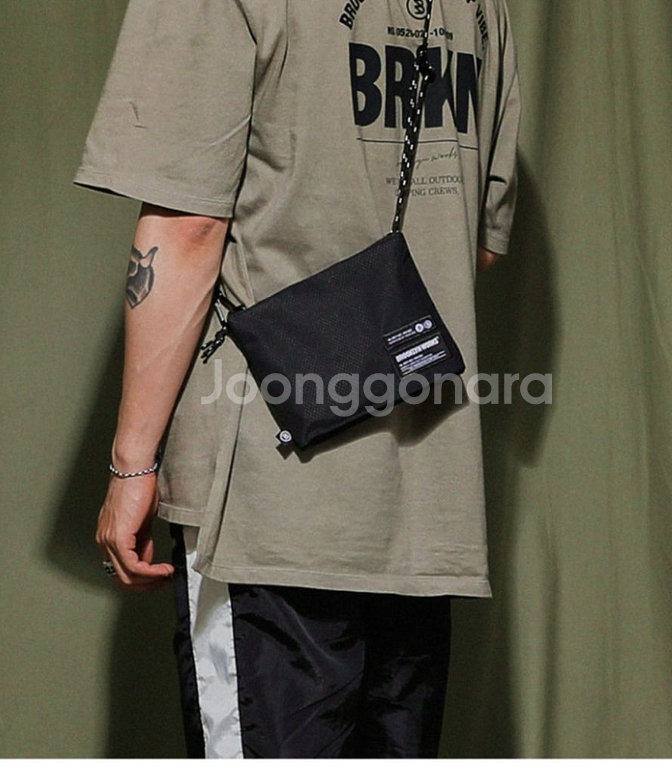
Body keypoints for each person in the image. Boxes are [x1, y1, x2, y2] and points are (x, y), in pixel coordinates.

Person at [74, 0, 521, 759]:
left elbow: (189, 229)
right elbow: (476, 245)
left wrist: (131, 464)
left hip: (265, 501)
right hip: (426, 503)